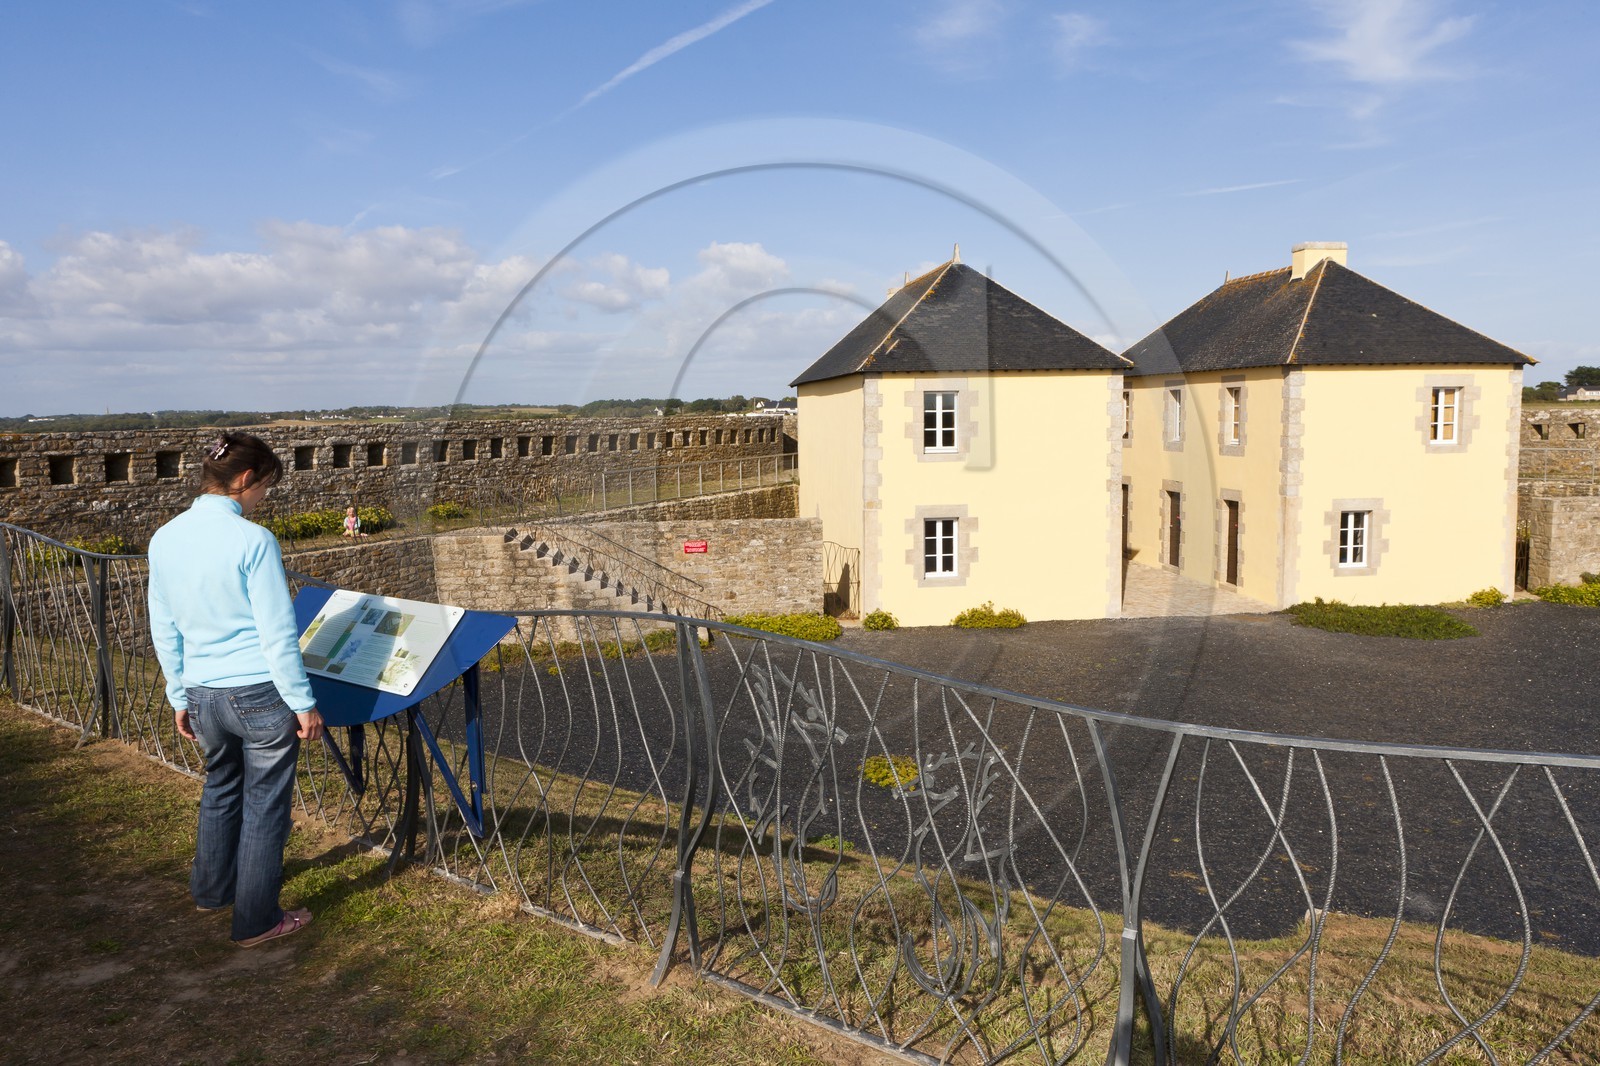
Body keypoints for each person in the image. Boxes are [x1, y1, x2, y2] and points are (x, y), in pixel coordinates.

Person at [147, 432, 325, 948]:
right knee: (265, 805)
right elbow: (276, 631)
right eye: (264, 487)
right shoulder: (253, 541)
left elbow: (164, 625)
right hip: (257, 691)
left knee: (219, 790)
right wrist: (303, 702)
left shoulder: (165, 537)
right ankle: (256, 921)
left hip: (202, 691)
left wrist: (177, 694)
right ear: (245, 480)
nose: (263, 498)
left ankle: (211, 891)